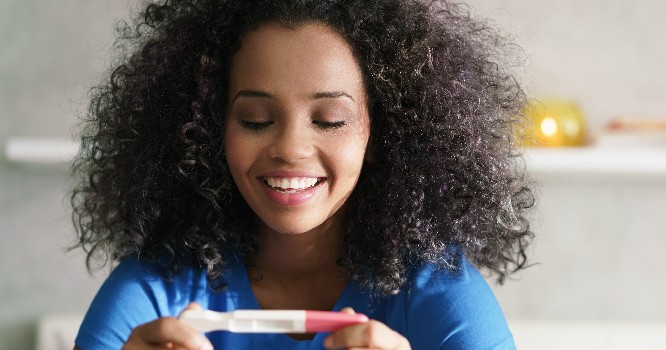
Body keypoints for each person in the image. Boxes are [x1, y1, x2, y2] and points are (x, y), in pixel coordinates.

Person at [70, 0, 534, 348]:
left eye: (330, 120)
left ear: (381, 135)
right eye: (255, 120)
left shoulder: (438, 291)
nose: (290, 149)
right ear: (211, 132)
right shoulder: (154, 288)